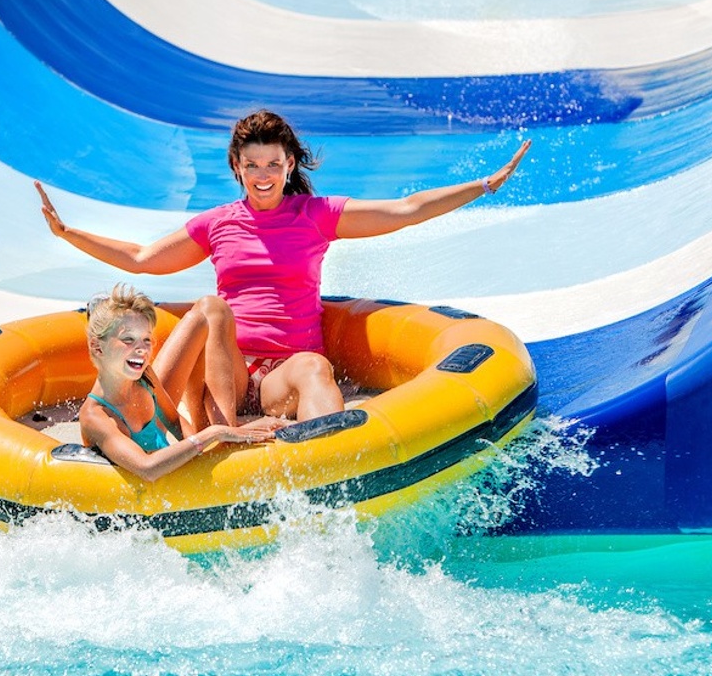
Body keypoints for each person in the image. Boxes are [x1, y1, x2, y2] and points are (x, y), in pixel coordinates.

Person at [41, 109, 531, 425]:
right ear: (237, 167)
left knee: (316, 367)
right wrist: (68, 234)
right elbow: (142, 260)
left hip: (283, 379)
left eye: (273, 165)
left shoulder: (316, 216)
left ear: (290, 165)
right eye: (252, 166)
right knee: (212, 308)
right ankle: (228, 434)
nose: (263, 176)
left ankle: (334, 464)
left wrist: (483, 186)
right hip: (228, 373)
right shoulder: (217, 224)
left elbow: (405, 210)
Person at [81, 284, 284, 482]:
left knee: (199, 320)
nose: (141, 349)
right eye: (128, 340)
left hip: (172, 473)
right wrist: (212, 434)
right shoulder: (96, 417)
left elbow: (174, 420)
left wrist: (213, 451)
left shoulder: (144, 376)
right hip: (148, 500)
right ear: (97, 348)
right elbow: (147, 469)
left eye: (146, 340)